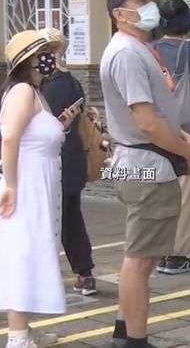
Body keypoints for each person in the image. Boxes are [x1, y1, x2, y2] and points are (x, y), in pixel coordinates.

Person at [100, 0, 190, 348]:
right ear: (118, 13)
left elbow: (156, 113)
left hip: (142, 161)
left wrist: (183, 138)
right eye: (141, 0)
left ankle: (123, 327)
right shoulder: (127, 54)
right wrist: (183, 150)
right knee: (141, 260)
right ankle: (134, 340)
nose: (150, 6)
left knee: (140, 255)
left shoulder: (137, 48)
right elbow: (145, 122)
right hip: (147, 165)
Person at [0, 30, 80, 348]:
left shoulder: (34, 92)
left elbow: (32, 134)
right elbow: (9, 136)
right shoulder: (22, 90)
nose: (51, 58)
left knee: (32, 254)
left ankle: (23, 331)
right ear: (30, 59)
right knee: (23, 254)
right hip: (26, 185)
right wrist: (10, 184)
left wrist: (60, 124)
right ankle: (18, 338)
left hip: (37, 183)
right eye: (45, 52)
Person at [151, 0, 190, 275]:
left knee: (161, 192)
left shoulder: (149, 51)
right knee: (187, 195)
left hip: (159, 129)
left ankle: (160, 251)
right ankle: (177, 255)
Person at [39, 28, 97, 296]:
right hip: (72, 159)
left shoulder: (45, 87)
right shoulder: (70, 81)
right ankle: (85, 274)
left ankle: (43, 280)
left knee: (51, 222)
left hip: (53, 163)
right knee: (71, 219)